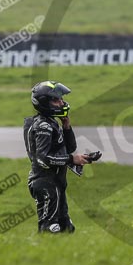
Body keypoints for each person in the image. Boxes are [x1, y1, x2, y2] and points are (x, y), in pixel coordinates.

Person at [24, 80, 101, 234]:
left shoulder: (51, 122)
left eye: (61, 99)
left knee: (66, 228)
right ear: (44, 103)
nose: (61, 102)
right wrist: (72, 159)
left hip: (57, 183)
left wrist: (66, 126)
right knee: (50, 229)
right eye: (56, 100)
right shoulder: (43, 126)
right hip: (45, 183)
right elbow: (43, 159)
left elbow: (69, 148)